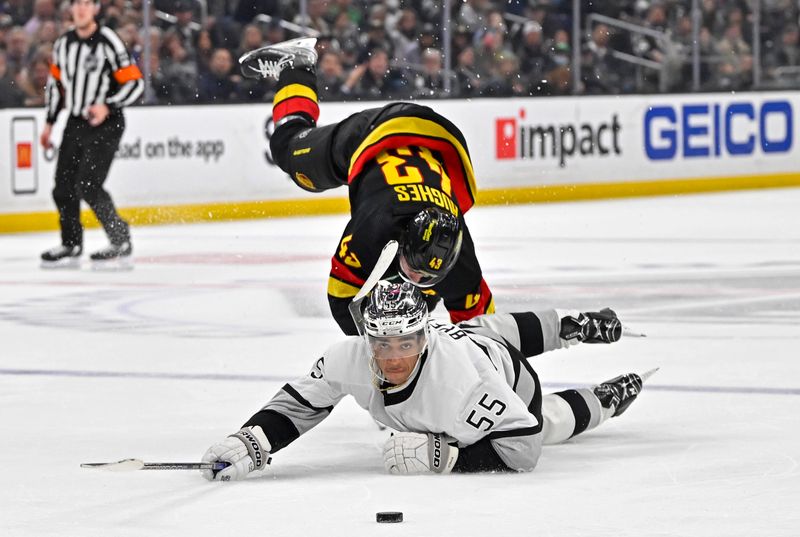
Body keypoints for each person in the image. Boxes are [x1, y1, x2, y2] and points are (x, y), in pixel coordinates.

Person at [201, 281, 650, 480]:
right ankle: (579, 339)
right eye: (383, 343)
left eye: (406, 343)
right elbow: (301, 403)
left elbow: (523, 446)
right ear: (366, 336)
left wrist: (446, 457)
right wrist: (254, 438)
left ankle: (601, 392)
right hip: (474, 339)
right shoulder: (350, 357)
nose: (393, 358)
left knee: (547, 421)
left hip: (511, 378)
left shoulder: (463, 385)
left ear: (425, 336)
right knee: (482, 326)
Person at [240, 37, 494, 335]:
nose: (417, 278)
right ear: (402, 240)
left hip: (436, 136)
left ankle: (298, 71)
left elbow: (487, 334)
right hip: (369, 136)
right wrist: (392, 342)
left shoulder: (460, 256)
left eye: (428, 277)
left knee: (420, 292)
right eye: (416, 272)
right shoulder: (375, 226)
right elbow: (341, 299)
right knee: (287, 149)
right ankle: (296, 65)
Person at [40, 0, 143, 268]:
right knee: (63, 186)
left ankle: (120, 239)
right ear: (71, 9)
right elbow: (55, 86)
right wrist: (50, 122)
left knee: (88, 183)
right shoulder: (63, 44)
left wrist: (107, 105)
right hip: (76, 122)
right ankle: (71, 243)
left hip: (106, 122)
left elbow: (135, 82)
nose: (82, 8)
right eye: (77, 3)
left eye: (88, 3)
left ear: (96, 9)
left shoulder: (109, 40)